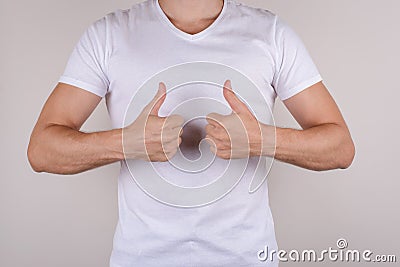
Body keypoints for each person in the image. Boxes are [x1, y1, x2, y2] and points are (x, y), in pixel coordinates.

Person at [27, 0, 355, 266]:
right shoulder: (109, 34)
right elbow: (42, 150)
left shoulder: (270, 33)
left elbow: (340, 147)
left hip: (248, 258)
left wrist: (260, 140)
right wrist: (127, 142)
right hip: (141, 259)